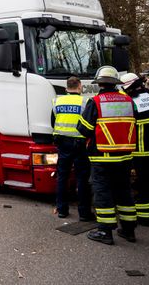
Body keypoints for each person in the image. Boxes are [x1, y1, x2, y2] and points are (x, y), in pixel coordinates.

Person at [77, 66, 138, 245]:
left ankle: (105, 231)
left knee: (103, 192)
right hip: (125, 156)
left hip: (102, 157)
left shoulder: (95, 102)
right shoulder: (128, 101)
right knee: (124, 192)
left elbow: (84, 129)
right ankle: (128, 230)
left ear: (100, 83)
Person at [121, 73, 149, 225]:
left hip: (141, 151)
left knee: (142, 183)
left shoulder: (133, 104)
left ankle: (144, 217)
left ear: (131, 88)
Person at [51, 76, 93, 221]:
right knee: (82, 178)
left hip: (62, 143)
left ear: (66, 87)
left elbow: (53, 121)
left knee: (62, 176)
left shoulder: (57, 101)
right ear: (79, 86)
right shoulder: (85, 101)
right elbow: (89, 125)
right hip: (80, 144)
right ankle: (84, 213)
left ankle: (62, 210)